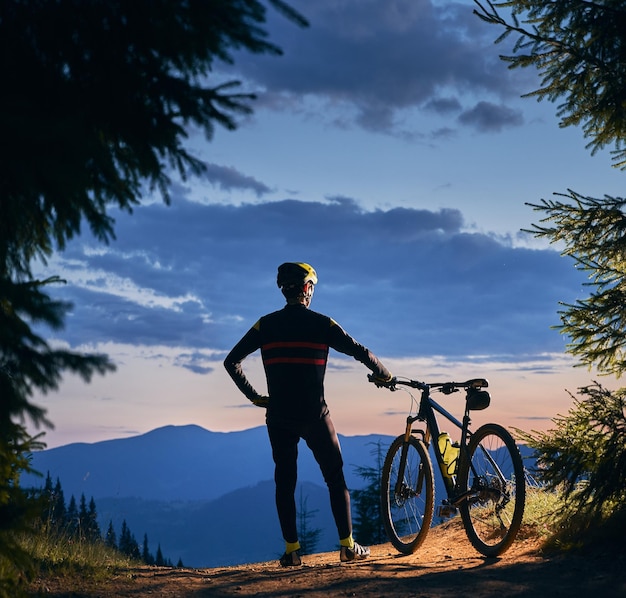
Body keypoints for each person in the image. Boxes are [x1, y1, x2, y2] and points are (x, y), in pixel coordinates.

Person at [224, 262, 393, 567]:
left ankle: (292, 552)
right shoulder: (321, 323)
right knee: (335, 478)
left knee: (284, 481)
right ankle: (347, 547)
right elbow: (359, 350)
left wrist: (254, 396)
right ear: (306, 289)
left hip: (278, 416)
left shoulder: (265, 325)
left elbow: (231, 361)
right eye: (312, 286)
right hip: (315, 414)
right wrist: (384, 374)